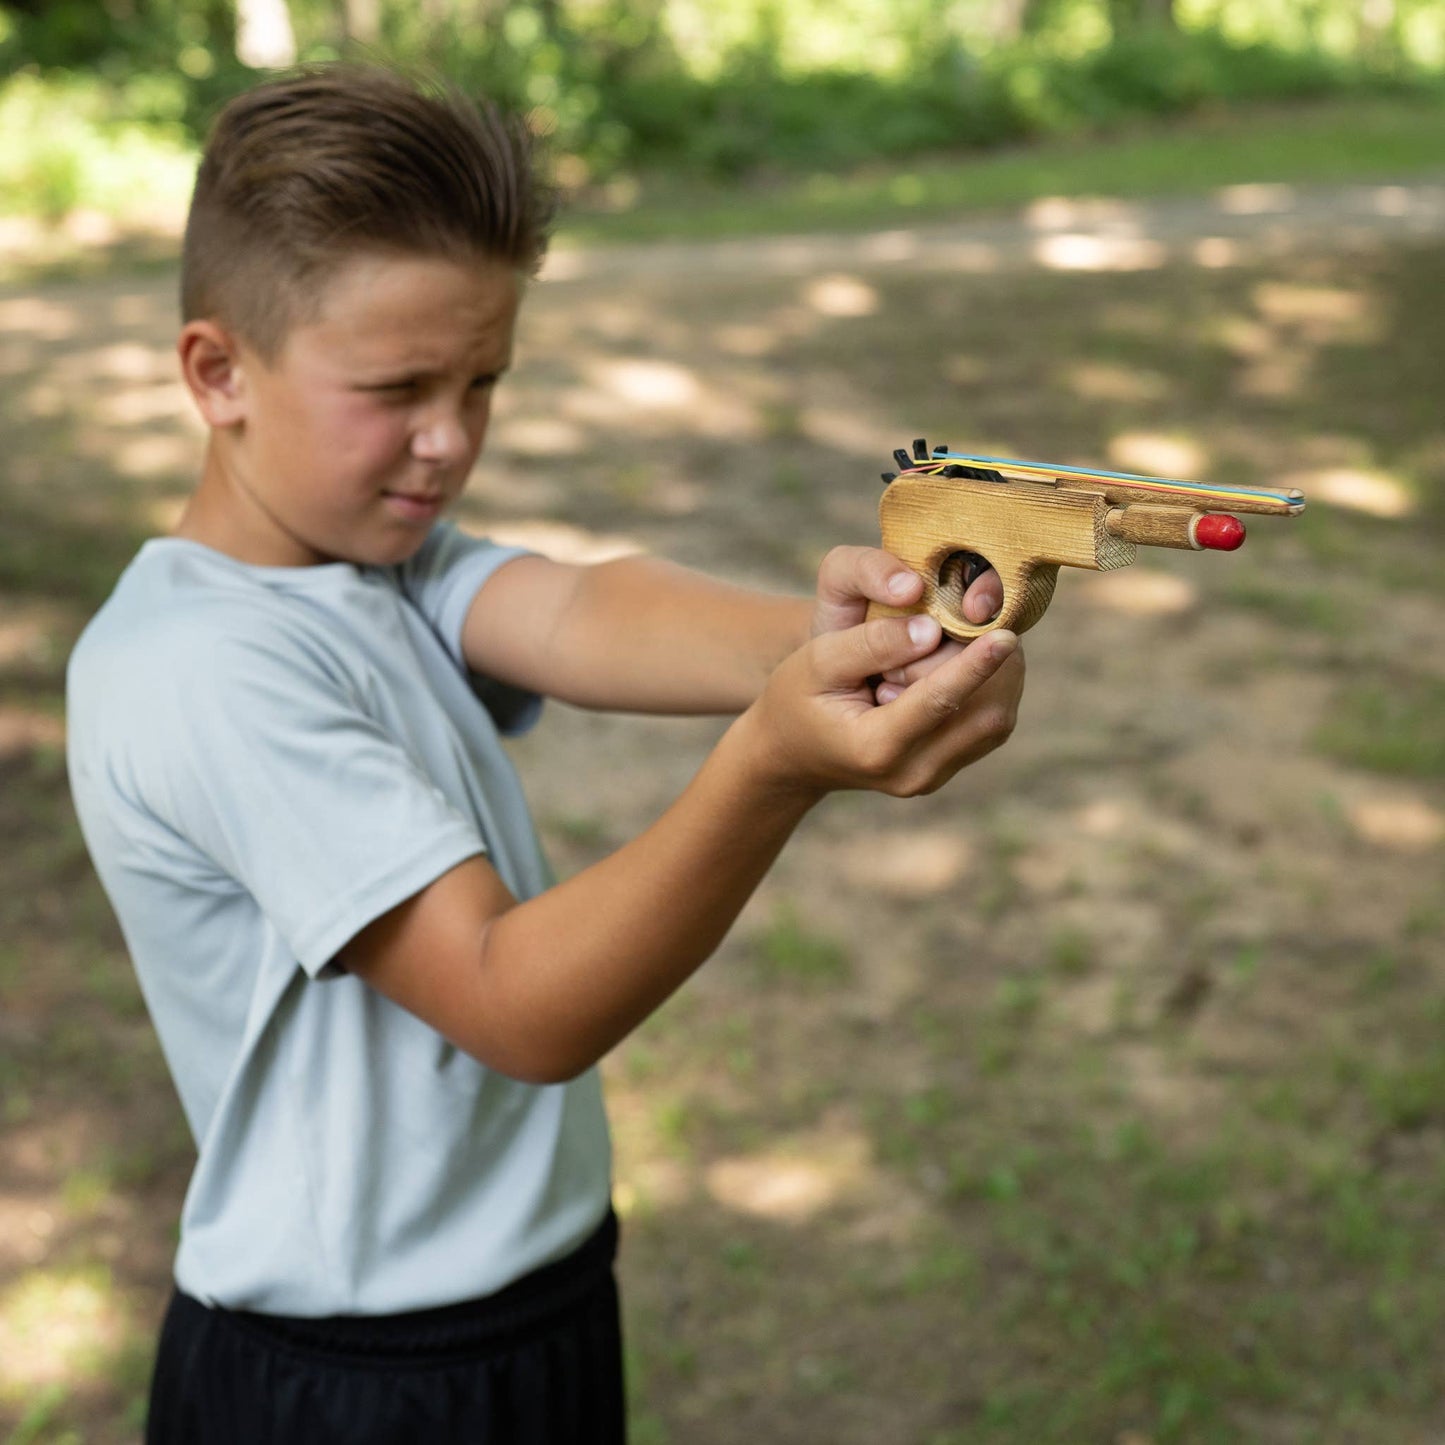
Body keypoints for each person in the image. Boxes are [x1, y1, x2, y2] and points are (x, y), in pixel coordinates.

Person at [64, 63, 1024, 1445]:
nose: (448, 439)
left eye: (483, 378)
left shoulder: (369, 556)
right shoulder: (202, 666)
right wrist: (776, 757)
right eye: (395, 386)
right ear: (218, 372)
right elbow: (516, 1002)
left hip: (522, 1306)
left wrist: (854, 628)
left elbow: (580, 606)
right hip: (359, 1380)